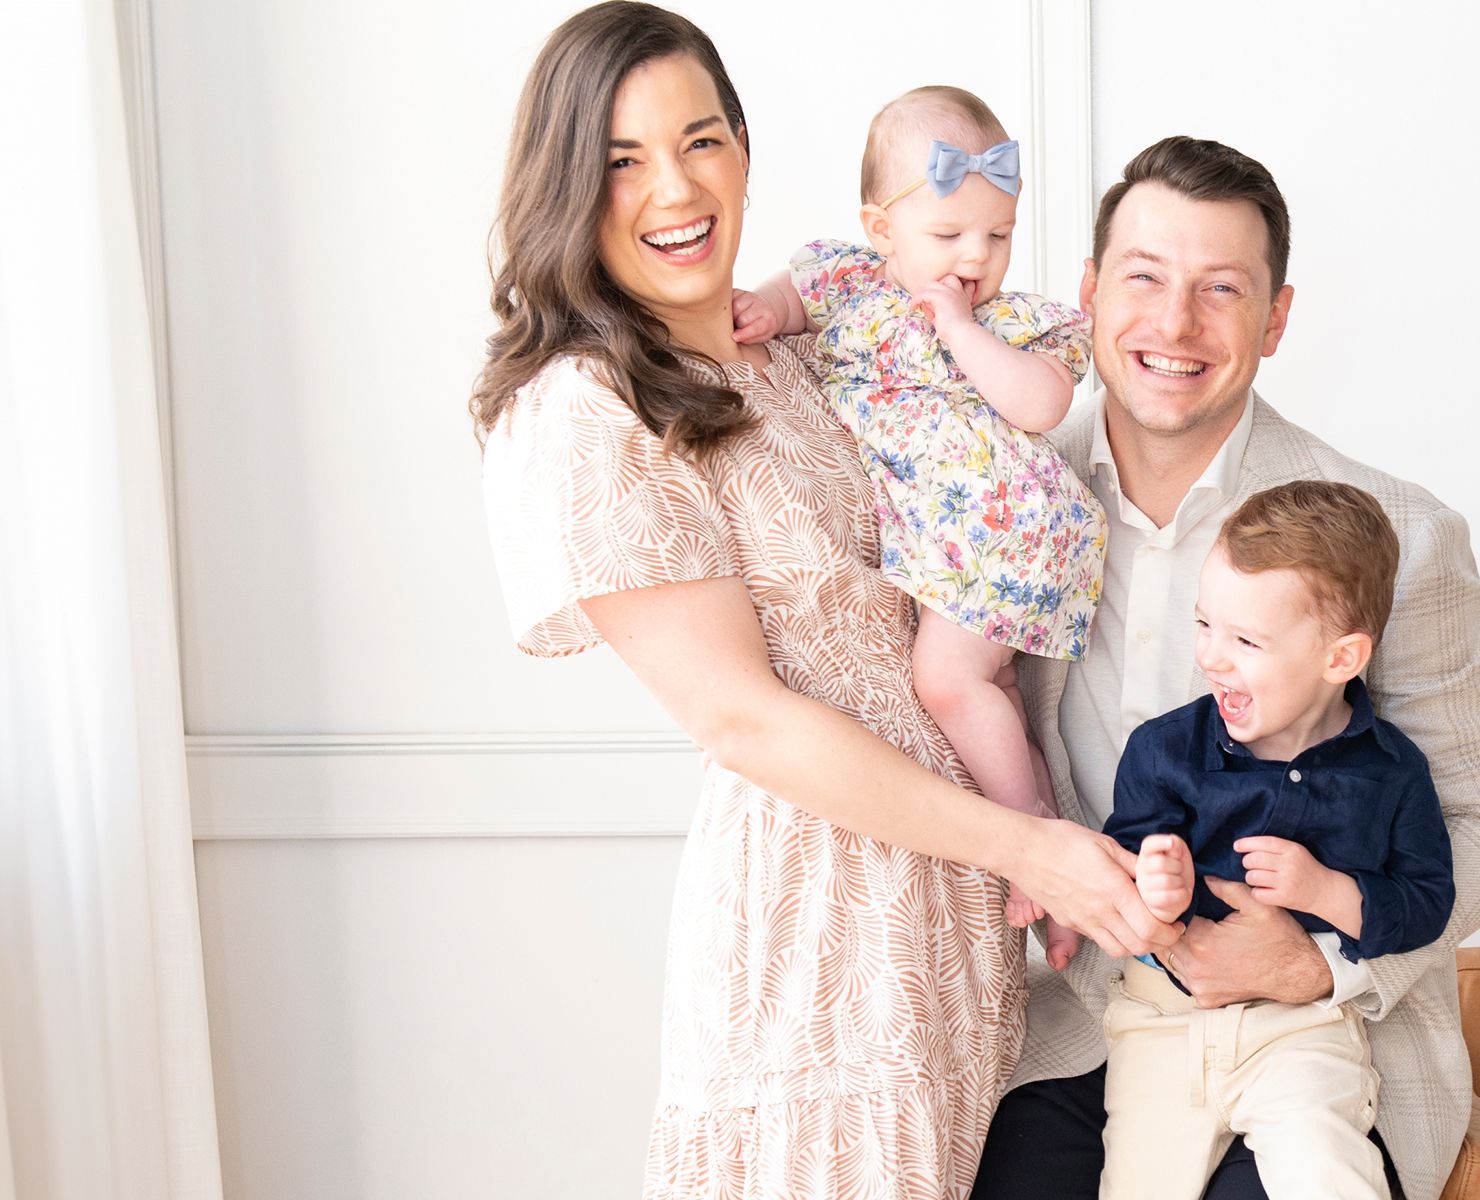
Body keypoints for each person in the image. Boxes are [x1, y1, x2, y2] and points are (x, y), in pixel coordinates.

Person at [470, 6, 1172, 1196]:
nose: (674, 188)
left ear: (744, 147)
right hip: (818, 942)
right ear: (567, 185)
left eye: (700, 140)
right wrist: (1028, 845)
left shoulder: (808, 349)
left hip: (954, 933)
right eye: (622, 160)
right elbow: (740, 719)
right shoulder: (586, 409)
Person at [973, 137, 1480, 1200]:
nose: (1174, 325)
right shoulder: (1003, 490)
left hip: (1313, 1043)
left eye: (1220, 291)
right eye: (1142, 278)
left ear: (1275, 319)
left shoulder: (1398, 536)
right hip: (1071, 1028)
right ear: (1090, 292)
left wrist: (1322, 958)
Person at [731, 85, 1106, 971]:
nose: (977, 256)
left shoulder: (1013, 323)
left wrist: (961, 329)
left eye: (999, 235)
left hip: (1009, 535)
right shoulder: (847, 284)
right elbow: (798, 293)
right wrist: (767, 312)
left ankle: (1033, 848)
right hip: (959, 550)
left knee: (944, 681)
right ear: (880, 228)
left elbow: (1042, 401)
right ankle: (1049, 837)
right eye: (949, 237)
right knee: (992, 699)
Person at [1099, 481, 1455, 1200]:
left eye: (1245, 641)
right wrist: (1157, 887)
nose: (1212, 658)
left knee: (1328, 1175)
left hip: (1303, 1031)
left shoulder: (1391, 773)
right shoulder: (1163, 752)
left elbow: (1426, 902)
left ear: (1340, 658)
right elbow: (1121, 872)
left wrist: (1329, 892)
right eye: (1204, 625)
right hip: (1161, 1025)